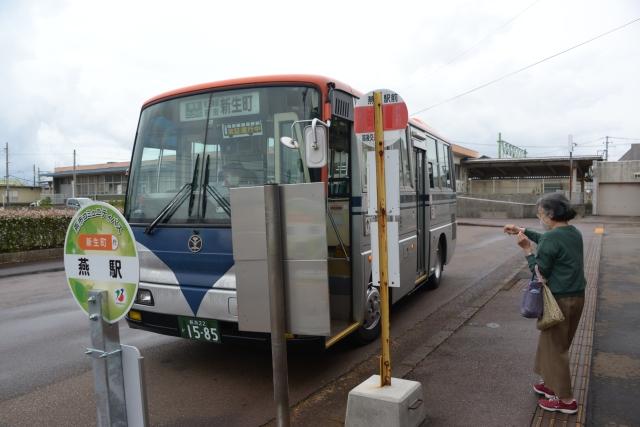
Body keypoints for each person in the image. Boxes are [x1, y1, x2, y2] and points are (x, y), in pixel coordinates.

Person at [504, 193, 586, 415]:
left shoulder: (552, 238)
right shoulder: (572, 232)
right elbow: (549, 240)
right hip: (576, 297)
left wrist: (527, 250)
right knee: (554, 344)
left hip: (559, 300)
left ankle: (566, 400)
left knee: (555, 348)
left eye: (540, 213)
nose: (539, 217)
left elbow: (540, 274)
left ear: (550, 214)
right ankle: (551, 385)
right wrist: (523, 230)